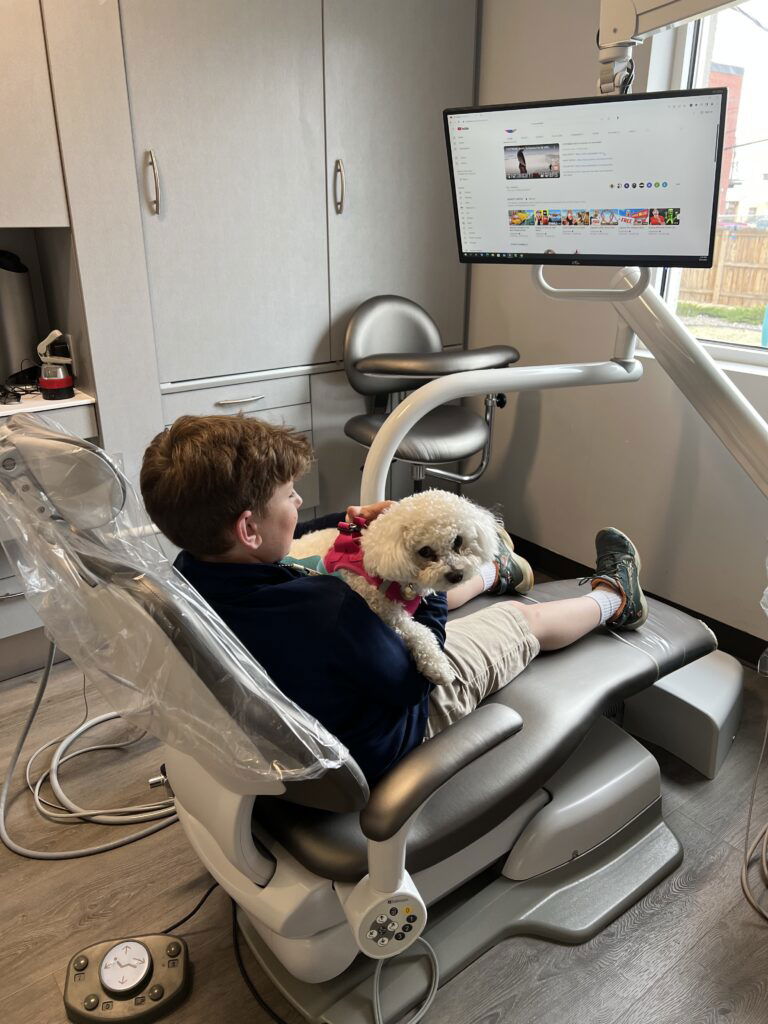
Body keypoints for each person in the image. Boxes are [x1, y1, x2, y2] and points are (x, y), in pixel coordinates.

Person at [141, 415, 648, 785]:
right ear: (249, 528)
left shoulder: (191, 572)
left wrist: (353, 524)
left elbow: (300, 564)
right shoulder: (326, 610)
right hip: (389, 732)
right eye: (290, 496)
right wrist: (420, 588)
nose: (299, 503)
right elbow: (413, 680)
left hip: (312, 697)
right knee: (520, 618)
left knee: (399, 596)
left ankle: (494, 571)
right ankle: (615, 599)